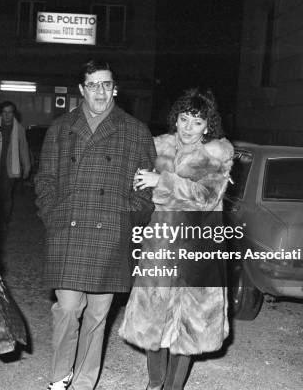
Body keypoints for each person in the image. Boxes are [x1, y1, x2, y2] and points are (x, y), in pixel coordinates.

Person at [35, 59, 156, 390]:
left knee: (97, 316)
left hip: (111, 232)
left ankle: (85, 382)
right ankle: (60, 377)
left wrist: (127, 218)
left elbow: (145, 191)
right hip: (68, 231)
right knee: (67, 308)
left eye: (107, 84)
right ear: (81, 89)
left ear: (115, 87)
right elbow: (45, 180)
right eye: (93, 85)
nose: (101, 92)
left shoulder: (135, 131)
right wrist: (52, 214)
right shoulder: (61, 128)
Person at [119, 88, 234, 390]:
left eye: (197, 123)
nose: (188, 128)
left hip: (197, 249)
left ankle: (172, 387)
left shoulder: (218, 154)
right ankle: (155, 382)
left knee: (188, 325)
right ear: (176, 119)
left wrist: (163, 182)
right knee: (152, 319)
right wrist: (146, 184)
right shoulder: (157, 147)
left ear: (208, 126)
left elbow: (205, 197)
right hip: (159, 244)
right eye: (184, 119)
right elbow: (138, 187)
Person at [0, 101, 31, 228]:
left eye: (10, 112)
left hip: (9, 170)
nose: (7, 115)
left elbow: (23, 148)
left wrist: (27, 166)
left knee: (6, 196)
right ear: (1, 113)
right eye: (4, 112)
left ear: (14, 114)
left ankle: (4, 220)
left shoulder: (19, 128)